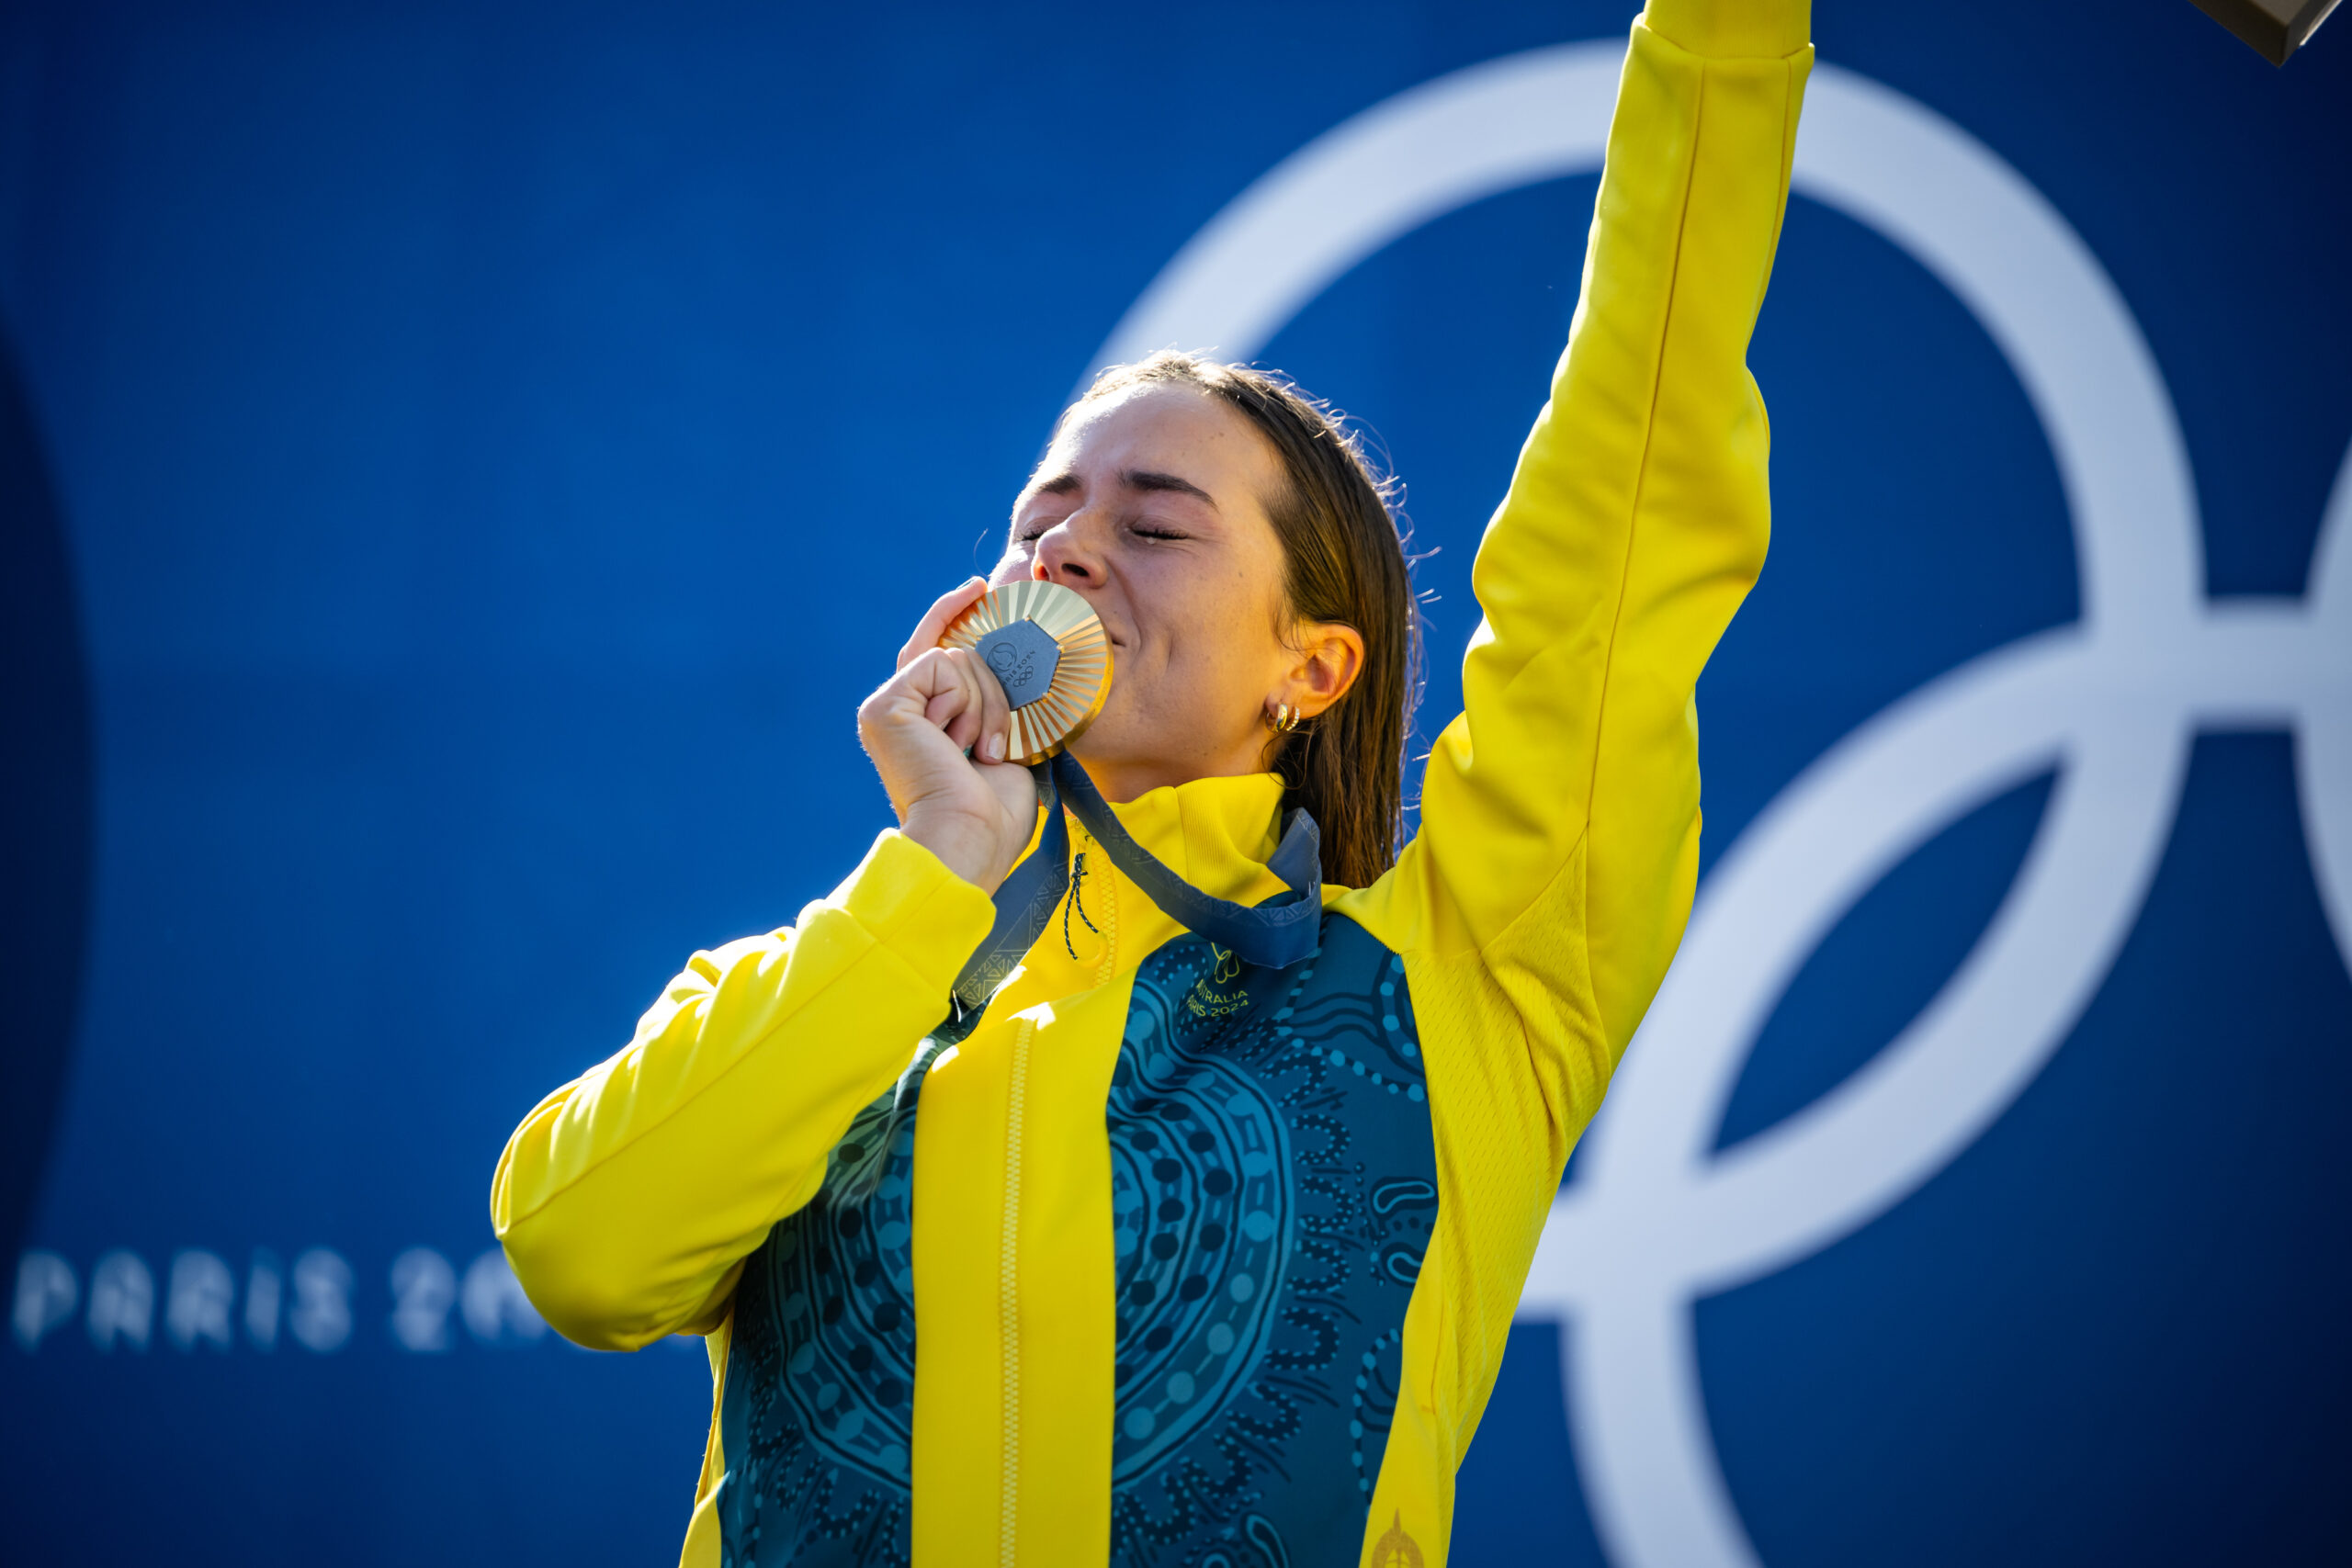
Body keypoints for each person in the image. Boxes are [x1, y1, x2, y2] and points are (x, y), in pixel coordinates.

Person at [492, 2, 1812, 1562]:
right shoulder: (823, 984)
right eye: (1040, 519)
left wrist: (1724, 37)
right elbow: (580, 1257)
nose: (1065, 546)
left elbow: (1631, 478)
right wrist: (934, 878)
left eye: (1158, 522)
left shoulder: (1470, 973)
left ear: (1310, 666)